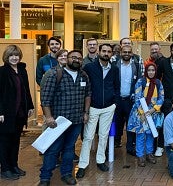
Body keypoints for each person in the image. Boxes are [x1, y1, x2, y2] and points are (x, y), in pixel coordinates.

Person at [39, 50, 91, 186]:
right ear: (67, 59)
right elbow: (45, 98)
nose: (77, 60)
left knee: (69, 148)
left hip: (76, 120)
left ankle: (67, 174)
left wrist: (85, 112)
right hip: (58, 121)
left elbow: (87, 95)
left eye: (79, 58)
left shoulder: (83, 75)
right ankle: (45, 178)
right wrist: (48, 117)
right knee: (53, 149)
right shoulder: (54, 74)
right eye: (73, 57)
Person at [76, 44, 120, 179]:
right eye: (104, 51)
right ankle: (83, 164)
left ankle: (100, 160)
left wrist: (114, 102)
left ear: (112, 54)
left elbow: (116, 86)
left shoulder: (114, 69)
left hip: (108, 107)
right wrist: (85, 107)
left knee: (103, 135)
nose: (106, 53)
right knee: (88, 136)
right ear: (99, 52)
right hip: (93, 107)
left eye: (109, 52)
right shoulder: (89, 67)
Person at [0, 45, 34, 181]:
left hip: (20, 113)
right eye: (11, 55)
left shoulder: (22, 70)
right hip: (6, 114)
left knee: (15, 141)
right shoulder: (2, 72)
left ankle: (14, 165)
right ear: (6, 57)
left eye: (16, 55)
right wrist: (0, 112)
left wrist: (30, 106)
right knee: (4, 142)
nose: (14, 58)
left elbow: (26, 90)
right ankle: (5, 168)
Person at [128, 62, 163, 167]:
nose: (151, 72)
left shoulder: (158, 83)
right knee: (140, 134)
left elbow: (161, 97)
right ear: (146, 71)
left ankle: (149, 154)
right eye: (149, 70)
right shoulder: (140, 81)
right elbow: (137, 97)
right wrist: (143, 112)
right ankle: (140, 156)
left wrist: (154, 109)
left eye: (153, 70)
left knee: (150, 134)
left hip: (153, 113)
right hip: (140, 113)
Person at [112, 45, 142, 155]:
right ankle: (116, 142)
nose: (127, 54)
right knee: (117, 122)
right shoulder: (115, 65)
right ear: (120, 53)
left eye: (129, 52)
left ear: (132, 53)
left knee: (131, 123)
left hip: (130, 100)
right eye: (125, 52)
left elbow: (138, 81)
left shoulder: (136, 66)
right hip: (118, 99)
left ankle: (130, 146)